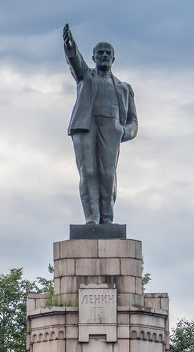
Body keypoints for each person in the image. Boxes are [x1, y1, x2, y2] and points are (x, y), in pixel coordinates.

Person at [63, 24, 138, 225]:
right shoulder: (85, 76)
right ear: (94, 57)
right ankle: (92, 218)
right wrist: (70, 46)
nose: (103, 55)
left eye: (107, 53)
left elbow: (133, 122)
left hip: (111, 129)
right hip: (86, 127)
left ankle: (107, 219)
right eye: (99, 53)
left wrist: (123, 131)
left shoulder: (124, 88)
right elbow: (75, 62)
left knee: (108, 174)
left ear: (113, 59)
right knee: (88, 172)